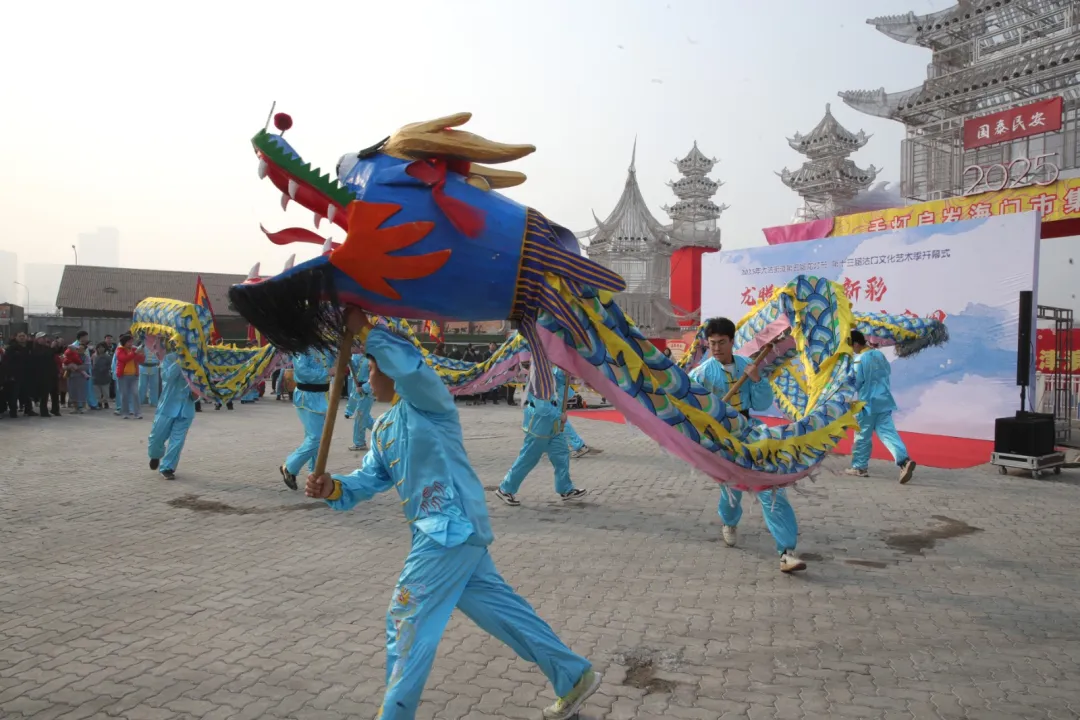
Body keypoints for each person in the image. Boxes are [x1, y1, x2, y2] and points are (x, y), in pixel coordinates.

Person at [305, 309, 601, 720]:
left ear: (389, 367)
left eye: (371, 367)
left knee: (405, 615)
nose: (366, 377)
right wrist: (333, 487)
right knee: (506, 615)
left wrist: (366, 331)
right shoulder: (384, 428)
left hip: (447, 531)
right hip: (450, 537)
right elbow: (369, 479)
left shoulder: (431, 402)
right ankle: (572, 674)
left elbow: (410, 369)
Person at [689, 317, 805, 574]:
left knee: (770, 486)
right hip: (721, 439)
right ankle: (729, 523)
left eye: (721, 343)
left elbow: (763, 403)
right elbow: (691, 410)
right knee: (731, 491)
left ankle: (786, 551)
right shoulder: (700, 374)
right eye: (712, 343)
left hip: (749, 432)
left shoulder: (748, 366)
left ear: (732, 341)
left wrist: (756, 379)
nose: (716, 348)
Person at [495, 366, 589, 506]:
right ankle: (505, 488)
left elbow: (565, 393)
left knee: (561, 455)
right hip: (539, 425)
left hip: (554, 427)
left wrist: (565, 375)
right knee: (528, 458)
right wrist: (559, 415)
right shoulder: (539, 378)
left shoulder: (555, 375)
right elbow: (542, 407)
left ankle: (565, 489)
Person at [845, 330, 917, 484]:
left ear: (856, 344)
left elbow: (856, 382)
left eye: (851, 346)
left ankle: (859, 467)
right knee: (889, 434)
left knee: (862, 436)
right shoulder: (879, 355)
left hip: (867, 404)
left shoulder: (859, 360)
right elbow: (887, 372)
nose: (851, 349)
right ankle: (904, 461)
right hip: (884, 401)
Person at [279, 345, 336, 490]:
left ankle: (315, 473)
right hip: (307, 397)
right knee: (317, 437)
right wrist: (326, 373)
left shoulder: (325, 347)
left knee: (317, 437)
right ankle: (289, 467)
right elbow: (303, 372)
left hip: (322, 397)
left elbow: (334, 363)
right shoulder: (301, 348)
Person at [148, 353, 197, 480]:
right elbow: (167, 377)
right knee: (156, 437)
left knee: (177, 441)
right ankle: (155, 454)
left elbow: (201, 385)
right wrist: (181, 361)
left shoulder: (198, 361)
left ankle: (167, 467)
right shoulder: (169, 358)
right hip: (167, 406)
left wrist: (197, 394)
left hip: (186, 407)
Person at [343, 348, 375, 451]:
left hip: (367, 391)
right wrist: (349, 360)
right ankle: (383, 431)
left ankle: (360, 442)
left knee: (361, 416)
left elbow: (375, 377)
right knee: (363, 416)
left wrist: (365, 387)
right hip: (358, 389)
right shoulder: (358, 356)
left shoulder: (374, 358)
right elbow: (354, 371)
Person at [30, 333, 60, 419]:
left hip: (52, 372)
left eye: (45, 337)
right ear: (37, 339)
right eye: (42, 338)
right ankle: (44, 411)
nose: (44, 339)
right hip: (43, 374)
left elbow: (55, 353)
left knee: (55, 392)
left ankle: (55, 409)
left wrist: (57, 345)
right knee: (45, 394)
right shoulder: (35, 348)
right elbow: (44, 356)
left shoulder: (47, 347)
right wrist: (51, 348)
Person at [114, 335, 144, 419]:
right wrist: (134, 353)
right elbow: (124, 359)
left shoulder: (134, 349)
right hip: (123, 376)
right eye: (129, 342)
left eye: (131, 341)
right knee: (124, 395)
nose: (131, 343)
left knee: (135, 393)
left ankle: (137, 413)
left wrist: (141, 353)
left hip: (134, 376)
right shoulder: (120, 350)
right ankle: (125, 413)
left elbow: (141, 360)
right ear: (124, 342)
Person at [62, 332, 92, 414]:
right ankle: (75, 407)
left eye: (82, 349)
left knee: (82, 392)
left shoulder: (85, 357)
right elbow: (64, 365)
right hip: (72, 376)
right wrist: (69, 367)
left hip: (81, 377)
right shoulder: (71, 354)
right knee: (72, 391)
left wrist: (77, 368)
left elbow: (87, 365)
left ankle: (82, 406)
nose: (80, 350)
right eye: (79, 349)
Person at [91, 342, 113, 410]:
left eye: (102, 347)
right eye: (99, 347)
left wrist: (105, 369)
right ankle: (99, 403)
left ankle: (105, 402)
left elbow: (110, 366)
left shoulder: (108, 357)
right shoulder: (93, 356)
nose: (101, 349)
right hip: (95, 376)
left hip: (105, 376)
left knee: (106, 392)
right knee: (97, 392)